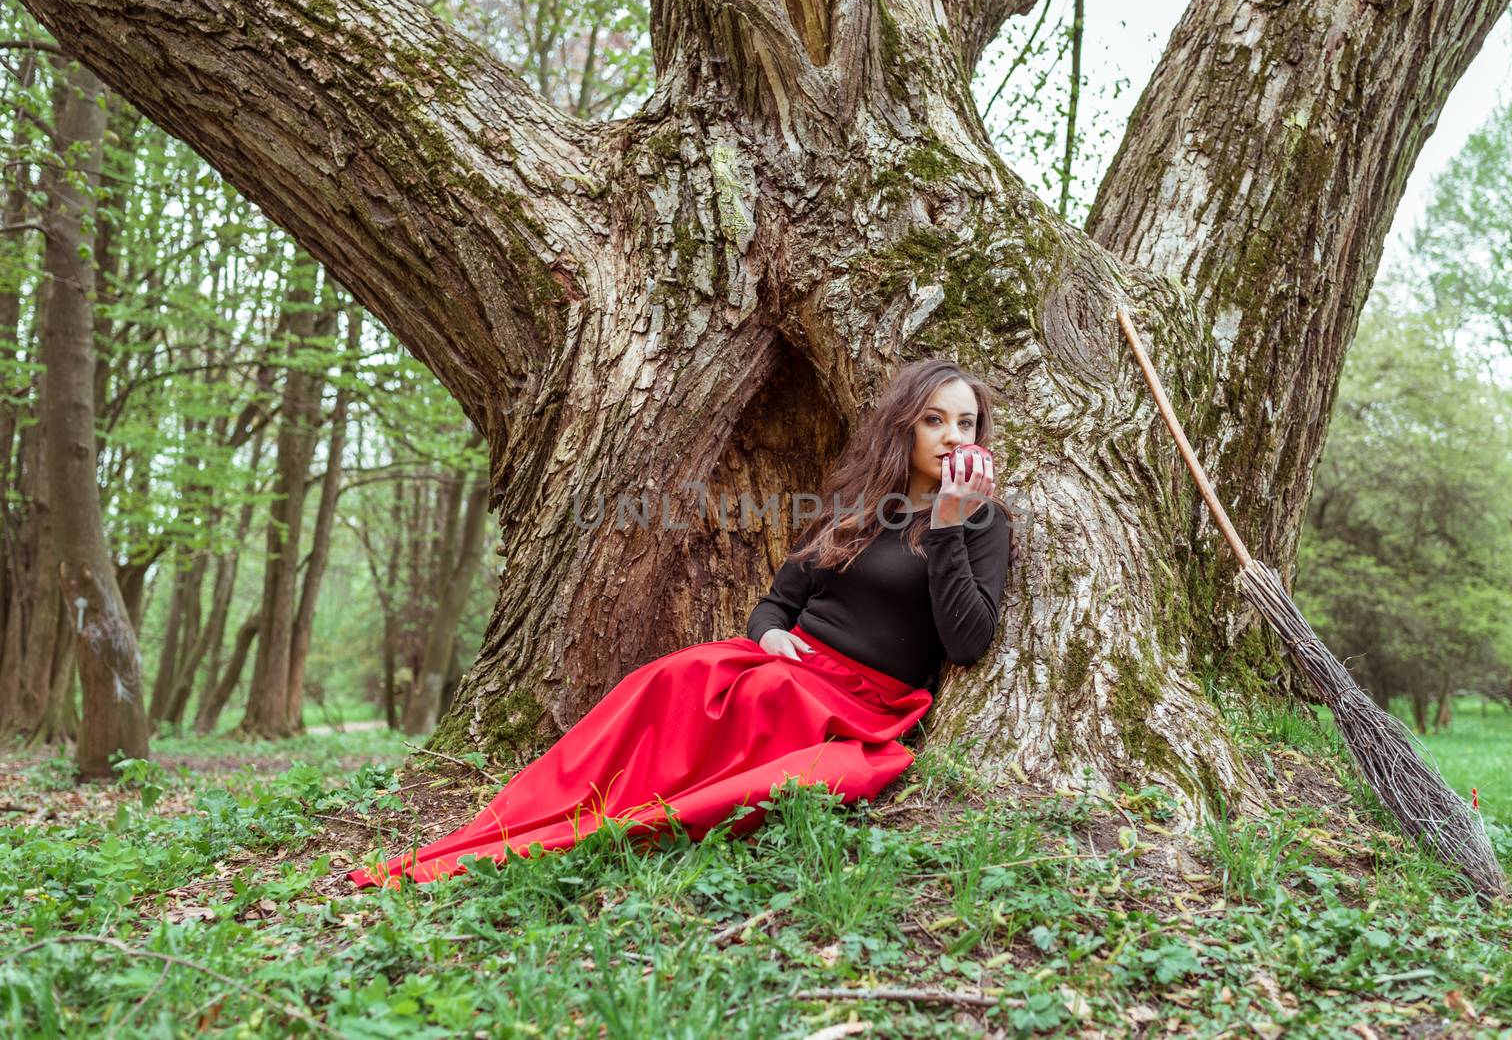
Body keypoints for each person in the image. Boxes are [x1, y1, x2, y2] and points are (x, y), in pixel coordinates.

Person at [348, 358, 1013, 888]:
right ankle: (542, 810)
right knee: (673, 676)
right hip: (785, 660)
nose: (954, 437)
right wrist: (770, 636)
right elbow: (777, 603)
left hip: (857, 701)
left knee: (760, 699)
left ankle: (616, 821)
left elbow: (967, 639)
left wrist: (952, 522)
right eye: (935, 420)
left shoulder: (983, 524)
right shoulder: (855, 506)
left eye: (967, 424)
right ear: (905, 427)